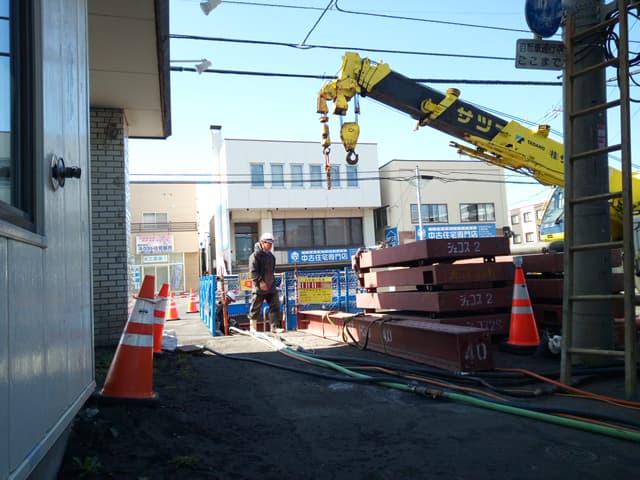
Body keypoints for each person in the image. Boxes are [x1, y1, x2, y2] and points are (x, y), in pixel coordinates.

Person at [248, 232, 283, 333]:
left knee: (275, 305)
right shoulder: (255, 256)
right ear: (263, 242)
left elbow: (271, 271)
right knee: (256, 306)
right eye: (269, 243)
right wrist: (260, 281)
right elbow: (253, 271)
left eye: (271, 243)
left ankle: (274, 327)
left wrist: (272, 283)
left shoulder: (271, 256)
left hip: (270, 286)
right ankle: (253, 327)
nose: (270, 245)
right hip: (259, 286)